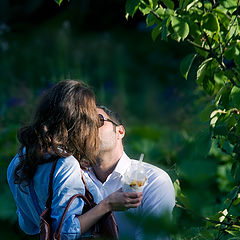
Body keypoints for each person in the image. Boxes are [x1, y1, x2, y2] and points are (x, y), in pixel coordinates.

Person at [7, 80, 143, 239]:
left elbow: (28, 225)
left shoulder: (19, 160)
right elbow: (66, 233)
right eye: (92, 119)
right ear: (80, 122)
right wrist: (107, 204)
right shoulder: (65, 164)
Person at [85, 105, 175, 239]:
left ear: (120, 132)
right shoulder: (76, 179)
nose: (89, 129)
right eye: (84, 125)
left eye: (98, 121)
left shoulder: (155, 181)